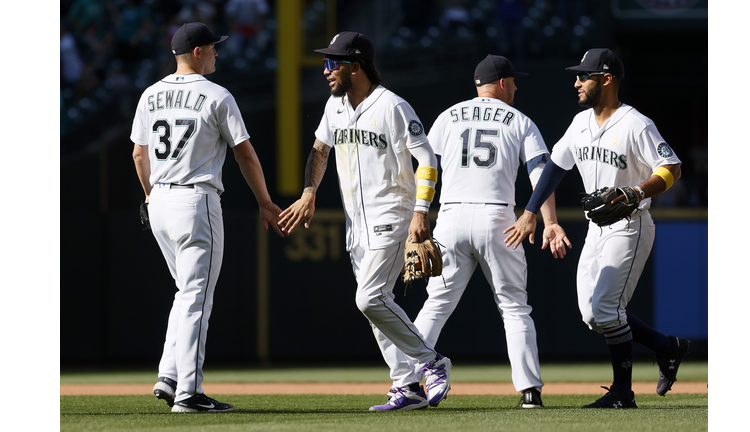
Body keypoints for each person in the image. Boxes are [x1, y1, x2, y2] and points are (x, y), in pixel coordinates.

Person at [381, 54, 571, 409]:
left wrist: (418, 213)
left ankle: (407, 383)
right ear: (501, 82)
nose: (516, 86)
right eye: (513, 81)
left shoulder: (447, 117)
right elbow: (540, 174)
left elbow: (425, 167)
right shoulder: (520, 120)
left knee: (436, 305)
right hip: (500, 220)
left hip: (450, 217)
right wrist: (548, 220)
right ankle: (530, 392)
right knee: (514, 308)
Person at [505, 48, 690, 408]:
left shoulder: (636, 123)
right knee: (593, 315)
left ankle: (623, 393)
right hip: (596, 228)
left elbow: (671, 168)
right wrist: (531, 212)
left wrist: (637, 191)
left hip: (630, 225)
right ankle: (666, 346)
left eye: (584, 76)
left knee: (606, 309)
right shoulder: (579, 124)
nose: (576, 82)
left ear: (606, 79)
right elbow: (554, 170)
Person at [277, 31, 452, 411]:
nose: (325, 70)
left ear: (355, 67)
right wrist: (309, 192)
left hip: (394, 215)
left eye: (332, 63)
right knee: (378, 311)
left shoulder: (393, 106)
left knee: (369, 298)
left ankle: (432, 362)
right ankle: (406, 387)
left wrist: (421, 211)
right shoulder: (334, 107)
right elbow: (319, 152)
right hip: (356, 224)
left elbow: (428, 160)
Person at [131, 22, 284, 413]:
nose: (217, 52)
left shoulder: (150, 94)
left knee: (185, 293)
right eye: (213, 47)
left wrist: (151, 196)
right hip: (195, 200)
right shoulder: (217, 95)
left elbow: (138, 154)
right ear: (197, 51)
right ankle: (189, 393)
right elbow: (245, 153)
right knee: (197, 297)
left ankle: (168, 375)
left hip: (160, 201)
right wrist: (266, 202)